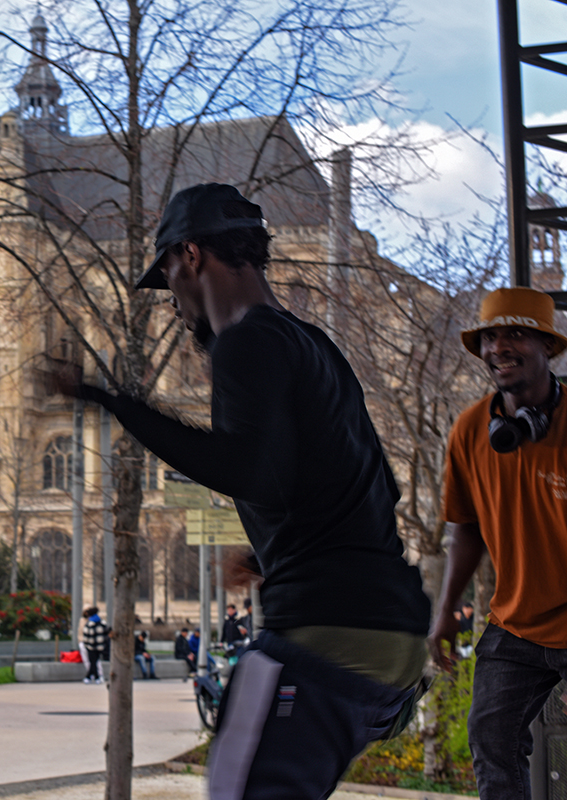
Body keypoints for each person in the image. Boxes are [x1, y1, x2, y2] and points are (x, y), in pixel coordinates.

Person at [50, 183, 429, 799]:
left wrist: (109, 400)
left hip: (325, 630)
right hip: (394, 644)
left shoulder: (243, 343)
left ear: (191, 256)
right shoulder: (313, 343)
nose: (170, 298)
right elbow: (376, 485)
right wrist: (267, 552)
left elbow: (249, 470)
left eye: (167, 273)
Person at [428, 287, 567, 800]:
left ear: (548, 348)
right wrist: (446, 611)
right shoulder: (469, 431)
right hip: (517, 622)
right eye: (490, 336)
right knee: (492, 738)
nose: (498, 347)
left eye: (515, 334)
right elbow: (464, 529)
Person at [81, 607, 109, 685]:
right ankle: (92, 677)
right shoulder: (102, 623)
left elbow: (85, 636)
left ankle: (93, 677)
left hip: (91, 646)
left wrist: (86, 645)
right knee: (94, 661)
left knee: (92, 662)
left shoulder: (89, 624)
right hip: (100, 646)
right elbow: (106, 634)